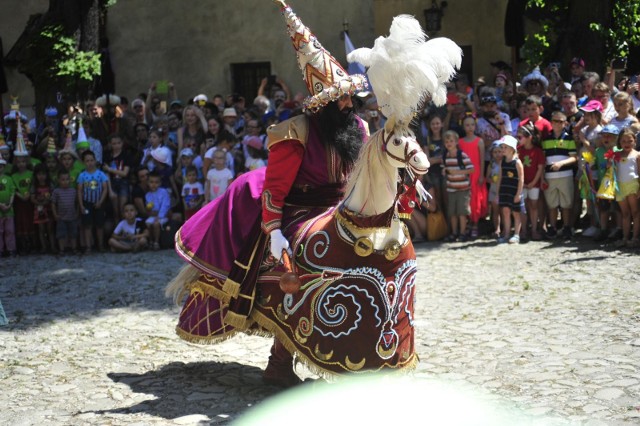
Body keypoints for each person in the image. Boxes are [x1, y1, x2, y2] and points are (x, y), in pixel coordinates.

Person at [540, 111, 577, 239]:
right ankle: (553, 227)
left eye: (560, 121)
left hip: (565, 175)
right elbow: (542, 159)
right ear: (551, 123)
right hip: (550, 176)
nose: (557, 124)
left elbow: (573, 158)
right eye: (555, 121)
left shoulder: (569, 138)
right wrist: (542, 177)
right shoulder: (546, 139)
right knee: (552, 204)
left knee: (566, 203)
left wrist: (561, 164)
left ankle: (566, 227)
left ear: (565, 123)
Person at [442, 130, 474, 242]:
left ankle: (462, 233)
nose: (449, 143)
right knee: (453, 213)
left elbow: (471, 169)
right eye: (446, 141)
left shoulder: (462, 155)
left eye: (451, 141)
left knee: (462, 212)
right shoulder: (445, 156)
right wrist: (445, 171)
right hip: (451, 188)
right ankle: (454, 233)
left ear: (456, 142)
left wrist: (458, 172)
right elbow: (444, 167)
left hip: (463, 189)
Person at [459, 114, 487, 238]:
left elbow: (482, 160)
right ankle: (468, 224)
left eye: (472, 124)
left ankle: (475, 224)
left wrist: (481, 175)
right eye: (467, 125)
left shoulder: (479, 141)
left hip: (476, 174)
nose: (470, 127)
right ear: (463, 127)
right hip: (464, 175)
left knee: (476, 200)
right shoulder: (460, 142)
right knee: (466, 199)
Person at [593, 125, 622, 242]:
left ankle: (619, 229)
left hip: (616, 186)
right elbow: (595, 166)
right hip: (603, 186)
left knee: (617, 209)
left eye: (609, 136)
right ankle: (604, 229)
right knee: (604, 209)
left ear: (615, 138)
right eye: (604, 136)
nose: (606, 138)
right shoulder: (598, 151)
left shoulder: (618, 151)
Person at [517, 122, 545, 241]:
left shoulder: (537, 151)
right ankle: (523, 230)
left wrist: (534, 182)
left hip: (534, 183)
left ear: (529, 137)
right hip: (522, 183)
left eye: (520, 137)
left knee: (534, 205)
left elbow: (540, 168)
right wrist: (522, 182)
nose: (518, 139)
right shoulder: (518, 150)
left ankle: (534, 229)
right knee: (523, 206)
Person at [77, 150, 109, 253]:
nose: (90, 163)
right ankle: (88, 246)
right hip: (87, 203)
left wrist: (101, 201)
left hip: (99, 202)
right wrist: (81, 205)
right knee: (87, 225)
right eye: (87, 161)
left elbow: (105, 189)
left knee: (100, 225)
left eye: (91, 160)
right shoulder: (82, 175)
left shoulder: (101, 174)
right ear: (83, 162)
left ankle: (100, 245)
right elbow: (80, 191)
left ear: (95, 161)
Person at [613, 127, 640, 247]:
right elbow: (612, 171)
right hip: (619, 185)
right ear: (619, 142)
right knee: (625, 213)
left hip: (633, 185)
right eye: (623, 141)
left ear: (635, 141)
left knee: (635, 211)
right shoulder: (617, 155)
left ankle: (634, 237)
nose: (627, 144)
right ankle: (625, 237)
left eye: (630, 141)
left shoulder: (637, 155)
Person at [496, 135, 524, 244]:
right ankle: (507, 234)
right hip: (505, 190)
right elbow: (500, 177)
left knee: (516, 213)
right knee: (505, 211)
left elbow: (521, 179)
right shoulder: (502, 162)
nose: (503, 150)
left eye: (505, 147)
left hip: (514, 191)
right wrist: (498, 192)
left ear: (512, 149)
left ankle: (516, 234)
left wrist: (518, 194)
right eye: (502, 147)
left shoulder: (517, 162)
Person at [102, 134, 133, 223]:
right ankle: (117, 231)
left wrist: (110, 169)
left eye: (118, 143)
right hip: (112, 183)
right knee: (116, 212)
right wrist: (110, 190)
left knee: (123, 210)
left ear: (122, 143)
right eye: (114, 143)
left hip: (123, 183)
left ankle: (126, 230)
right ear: (110, 144)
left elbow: (124, 173)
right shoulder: (107, 156)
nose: (116, 145)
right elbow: (106, 174)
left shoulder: (126, 155)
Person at [51, 170, 79, 255]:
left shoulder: (73, 191)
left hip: (72, 217)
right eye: (63, 179)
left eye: (67, 179)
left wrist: (77, 213)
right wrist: (55, 214)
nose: (65, 181)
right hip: (61, 218)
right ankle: (61, 250)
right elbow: (53, 203)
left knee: (73, 234)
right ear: (58, 180)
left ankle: (74, 249)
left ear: (70, 180)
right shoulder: (56, 191)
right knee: (61, 235)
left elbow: (77, 202)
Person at [30, 163, 56, 253]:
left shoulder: (50, 184)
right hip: (39, 210)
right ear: (36, 175)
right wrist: (40, 202)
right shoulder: (34, 186)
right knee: (41, 229)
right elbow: (32, 198)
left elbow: (54, 195)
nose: (41, 176)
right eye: (39, 174)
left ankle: (53, 247)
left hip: (49, 209)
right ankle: (44, 247)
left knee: (50, 228)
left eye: (43, 174)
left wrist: (47, 202)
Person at [144, 171, 170, 251]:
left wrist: (159, 216)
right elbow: (149, 207)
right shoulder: (147, 195)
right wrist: (149, 210)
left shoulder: (163, 192)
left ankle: (156, 242)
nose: (154, 184)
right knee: (148, 223)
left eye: (156, 182)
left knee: (156, 224)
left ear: (160, 183)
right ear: (148, 183)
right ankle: (151, 241)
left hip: (163, 215)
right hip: (153, 215)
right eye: (151, 182)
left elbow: (165, 205)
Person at [485, 141, 503, 239]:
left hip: (503, 190)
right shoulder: (491, 165)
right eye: (495, 152)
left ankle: (505, 228)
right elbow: (486, 178)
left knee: (504, 210)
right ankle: (497, 228)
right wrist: (491, 179)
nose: (497, 154)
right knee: (495, 211)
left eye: (499, 152)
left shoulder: (505, 163)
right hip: (493, 190)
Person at [0, 157, 17, 257]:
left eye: (1, 166)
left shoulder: (9, 179)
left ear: (4, 167)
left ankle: (11, 249)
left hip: (9, 209)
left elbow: (12, 192)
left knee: (10, 230)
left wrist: (10, 204)